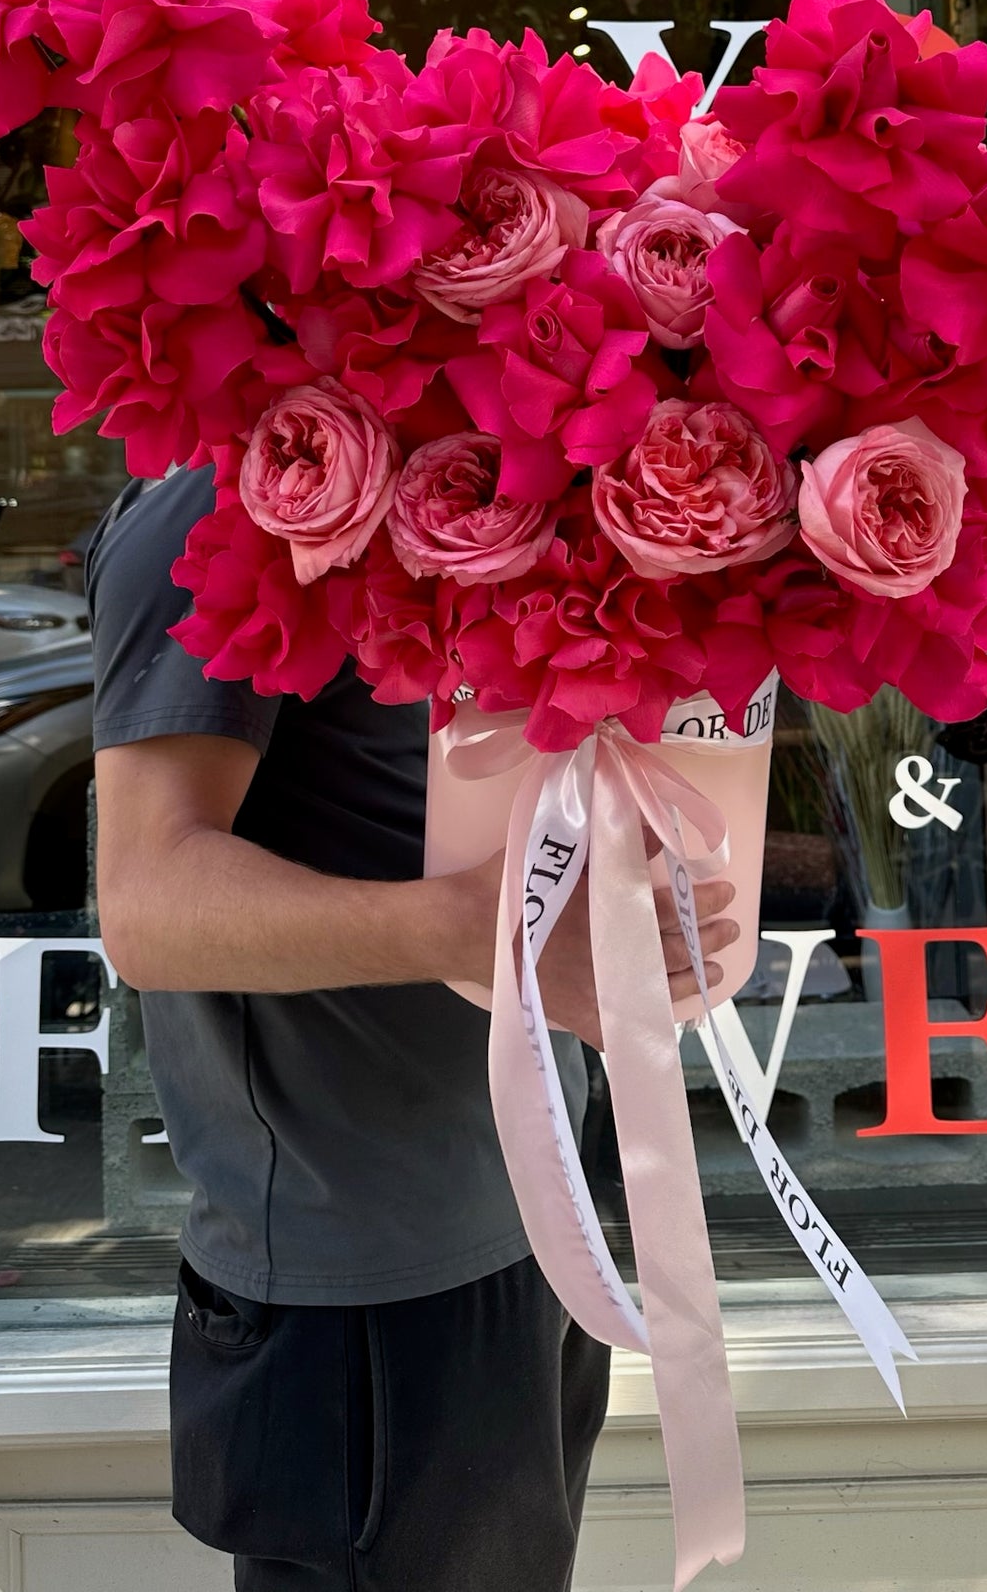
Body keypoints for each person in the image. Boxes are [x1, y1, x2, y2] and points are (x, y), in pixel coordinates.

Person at [89, 464, 739, 1592]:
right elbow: (149, 907)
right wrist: (470, 929)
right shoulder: (222, 502)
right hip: (364, 1293)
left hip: (519, 1222)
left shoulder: (447, 473)